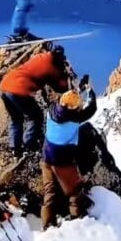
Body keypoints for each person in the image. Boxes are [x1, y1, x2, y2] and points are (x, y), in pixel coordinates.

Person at [41, 78, 98, 230]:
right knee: (74, 191)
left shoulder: (52, 109)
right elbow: (91, 108)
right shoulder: (75, 119)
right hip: (62, 160)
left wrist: (77, 90)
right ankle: (78, 219)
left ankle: (47, 225)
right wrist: (89, 90)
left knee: (50, 192)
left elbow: (67, 102)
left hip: (46, 158)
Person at [0, 46, 72, 157]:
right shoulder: (52, 68)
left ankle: (15, 148)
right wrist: (64, 73)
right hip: (18, 89)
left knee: (16, 118)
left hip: (4, 86)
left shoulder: (40, 56)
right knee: (35, 116)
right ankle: (29, 144)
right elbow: (61, 87)